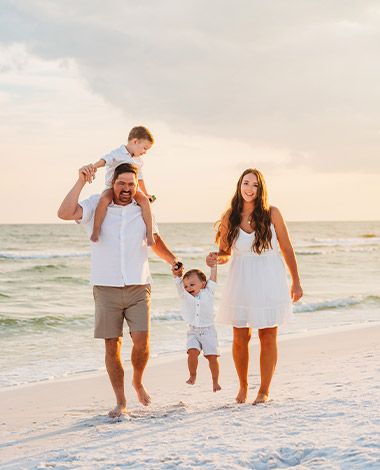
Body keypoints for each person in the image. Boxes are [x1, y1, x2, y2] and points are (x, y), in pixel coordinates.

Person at [58, 162, 181, 418]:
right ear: (112, 183)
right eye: (121, 183)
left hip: (139, 284)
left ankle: (137, 380)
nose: (126, 189)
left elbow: (155, 241)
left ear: (136, 186)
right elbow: (64, 212)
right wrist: (80, 181)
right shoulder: (95, 205)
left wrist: (173, 261)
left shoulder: (143, 209)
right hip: (105, 287)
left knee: (142, 341)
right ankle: (121, 400)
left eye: (130, 184)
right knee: (112, 346)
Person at [207, 168, 303, 405]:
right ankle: (243, 387)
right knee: (240, 335)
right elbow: (226, 253)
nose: (249, 189)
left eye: (254, 185)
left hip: (269, 278)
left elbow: (287, 248)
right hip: (241, 279)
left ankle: (264, 390)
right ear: (239, 186)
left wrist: (296, 282)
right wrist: (216, 258)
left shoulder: (272, 213)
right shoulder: (230, 216)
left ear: (261, 190)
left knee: (268, 334)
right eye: (245, 183)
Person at [84, 126, 155, 245]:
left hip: (132, 188)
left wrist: (146, 193)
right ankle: (96, 230)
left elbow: (140, 179)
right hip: (112, 188)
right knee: (103, 200)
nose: (145, 152)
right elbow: (105, 160)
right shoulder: (118, 153)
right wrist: (93, 167)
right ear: (135, 141)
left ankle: (149, 233)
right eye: (144, 148)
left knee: (144, 202)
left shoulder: (139, 161)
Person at [172, 264, 221, 392]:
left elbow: (214, 279)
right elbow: (178, 284)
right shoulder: (185, 295)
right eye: (186, 286)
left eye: (192, 285)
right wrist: (176, 274)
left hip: (209, 331)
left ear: (203, 284)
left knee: (212, 357)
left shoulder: (208, 292)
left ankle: (215, 382)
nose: (188, 288)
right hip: (193, 331)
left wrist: (213, 267)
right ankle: (192, 376)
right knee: (192, 352)